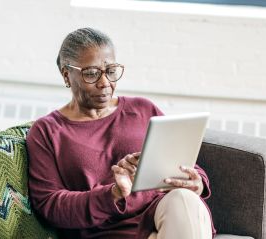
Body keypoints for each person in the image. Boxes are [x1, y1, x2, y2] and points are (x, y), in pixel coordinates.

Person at [26, 27, 216, 239]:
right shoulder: (46, 131)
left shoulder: (142, 109)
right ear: (66, 75)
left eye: (111, 71)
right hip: (110, 232)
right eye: (91, 73)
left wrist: (197, 181)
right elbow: (49, 205)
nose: (105, 83)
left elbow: (184, 164)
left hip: (166, 214)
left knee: (184, 199)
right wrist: (114, 193)